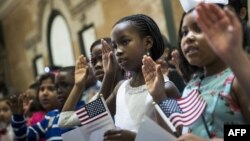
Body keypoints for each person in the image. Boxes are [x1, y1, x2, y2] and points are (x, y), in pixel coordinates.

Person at [142, 2, 250, 141]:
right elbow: (178, 131)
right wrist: (158, 95)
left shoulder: (237, 79)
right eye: (184, 32)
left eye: (198, 29)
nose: (189, 37)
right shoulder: (193, 84)